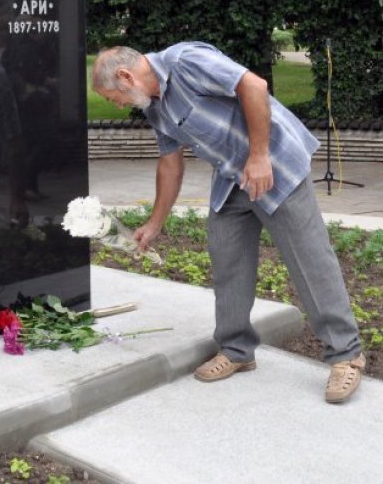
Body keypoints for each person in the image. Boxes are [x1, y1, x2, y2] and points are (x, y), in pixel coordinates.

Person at [92, 42, 365, 404]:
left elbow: (253, 86)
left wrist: (258, 156)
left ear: (125, 76)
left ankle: (346, 353)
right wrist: (155, 223)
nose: (117, 105)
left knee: (309, 260)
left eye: (114, 97)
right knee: (227, 259)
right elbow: (170, 163)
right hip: (232, 177)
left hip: (274, 164)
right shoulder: (155, 108)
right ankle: (237, 350)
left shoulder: (185, 61)